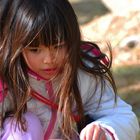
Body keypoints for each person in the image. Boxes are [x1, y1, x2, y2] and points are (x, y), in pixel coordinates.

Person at [0, 0, 139, 139]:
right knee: (24, 126)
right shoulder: (7, 80)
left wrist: (105, 131)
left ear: (72, 39)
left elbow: (122, 115)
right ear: (17, 46)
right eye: (35, 50)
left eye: (58, 46)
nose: (48, 59)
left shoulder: (84, 73)